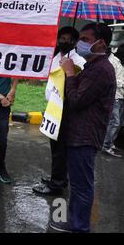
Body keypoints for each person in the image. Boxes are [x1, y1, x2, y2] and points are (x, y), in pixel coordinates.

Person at [50, 23, 116, 233]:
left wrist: (69, 74)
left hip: (84, 137)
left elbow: (77, 100)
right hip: (76, 134)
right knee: (78, 186)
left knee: (82, 186)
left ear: (101, 43)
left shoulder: (101, 70)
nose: (80, 43)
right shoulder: (91, 66)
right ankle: (75, 221)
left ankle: (80, 227)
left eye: (86, 40)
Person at [33, 26, 85, 196]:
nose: (64, 42)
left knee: (60, 148)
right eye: (62, 38)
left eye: (69, 39)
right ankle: (58, 178)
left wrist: (69, 69)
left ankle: (57, 184)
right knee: (55, 146)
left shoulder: (79, 62)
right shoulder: (54, 58)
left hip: (66, 110)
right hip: (53, 107)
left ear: (75, 42)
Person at [102, 44, 124, 158]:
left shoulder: (122, 64)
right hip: (113, 96)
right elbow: (110, 79)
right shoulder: (112, 62)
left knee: (118, 123)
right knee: (114, 122)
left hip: (120, 96)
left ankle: (110, 143)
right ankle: (106, 146)